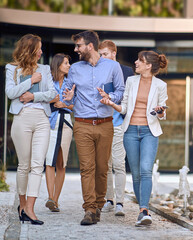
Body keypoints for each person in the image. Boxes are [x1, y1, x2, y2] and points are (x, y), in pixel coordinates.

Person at [62, 30, 125, 225]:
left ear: (90, 46)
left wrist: (110, 98)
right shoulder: (75, 68)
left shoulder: (113, 67)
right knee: (86, 168)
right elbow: (68, 89)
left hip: (106, 125)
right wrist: (68, 97)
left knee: (102, 169)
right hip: (82, 123)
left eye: (78, 45)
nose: (76, 49)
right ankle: (89, 209)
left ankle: (98, 204)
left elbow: (120, 90)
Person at [99, 50, 168, 226]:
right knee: (136, 173)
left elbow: (162, 114)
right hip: (129, 131)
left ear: (148, 65)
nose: (135, 63)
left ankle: (144, 210)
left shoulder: (160, 85)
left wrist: (160, 111)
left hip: (149, 132)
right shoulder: (131, 81)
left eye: (140, 60)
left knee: (146, 170)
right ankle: (142, 211)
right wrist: (111, 103)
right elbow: (124, 108)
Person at [5, 34, 57, 225]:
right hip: (22, 119)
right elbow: (10, 93)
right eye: (39, 48)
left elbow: (53, 94)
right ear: (30, 49)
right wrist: (31, 81)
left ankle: (30, 209)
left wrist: (32, 97)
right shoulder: (12, 69)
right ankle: (22, 204)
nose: (42, 52)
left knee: (38, 166)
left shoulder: (44, 69)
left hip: (42, 119)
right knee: (24, 165)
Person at [98, 40, 134, 216]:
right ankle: (109, 200)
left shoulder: (127, 72)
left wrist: (110, 98)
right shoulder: (98, 72)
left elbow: (129, 99)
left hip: (119, 124)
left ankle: (120, 202)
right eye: (100, 54)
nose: (102, 57)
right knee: (105, 165)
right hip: (101, 124)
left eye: (105, 54)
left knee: (119, 165)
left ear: (114, 53)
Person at [44, 53, 73, 213]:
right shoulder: (48, 81)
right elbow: (41, 99)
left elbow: (76, 105)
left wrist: (66, 104)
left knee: (62, 162)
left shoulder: (71, 83)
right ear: (58, 65)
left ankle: (55, 199)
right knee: (50, 160)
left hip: (66, 122)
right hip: (50, 122)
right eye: (66, 63)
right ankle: (50, 197)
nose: (69, 65)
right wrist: (52, 100)